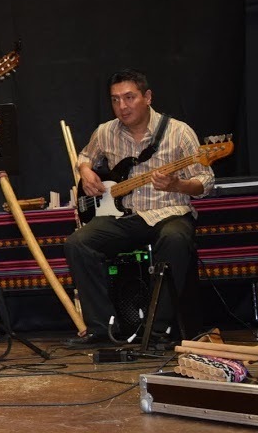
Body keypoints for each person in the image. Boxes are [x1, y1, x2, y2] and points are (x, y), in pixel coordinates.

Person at [64, 69, 213, 347]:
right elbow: (84, 155)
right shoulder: (105, 132)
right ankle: (101, 329)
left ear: (147, 97)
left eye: (129, 97)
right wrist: (85, 171)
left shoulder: (179, 132)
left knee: (175, 238)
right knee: (78, 243)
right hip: (125, 216)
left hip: (169, 212)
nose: (122, 106)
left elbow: (205, 182)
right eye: (115, 99)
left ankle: (158, 330)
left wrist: (177, 185)